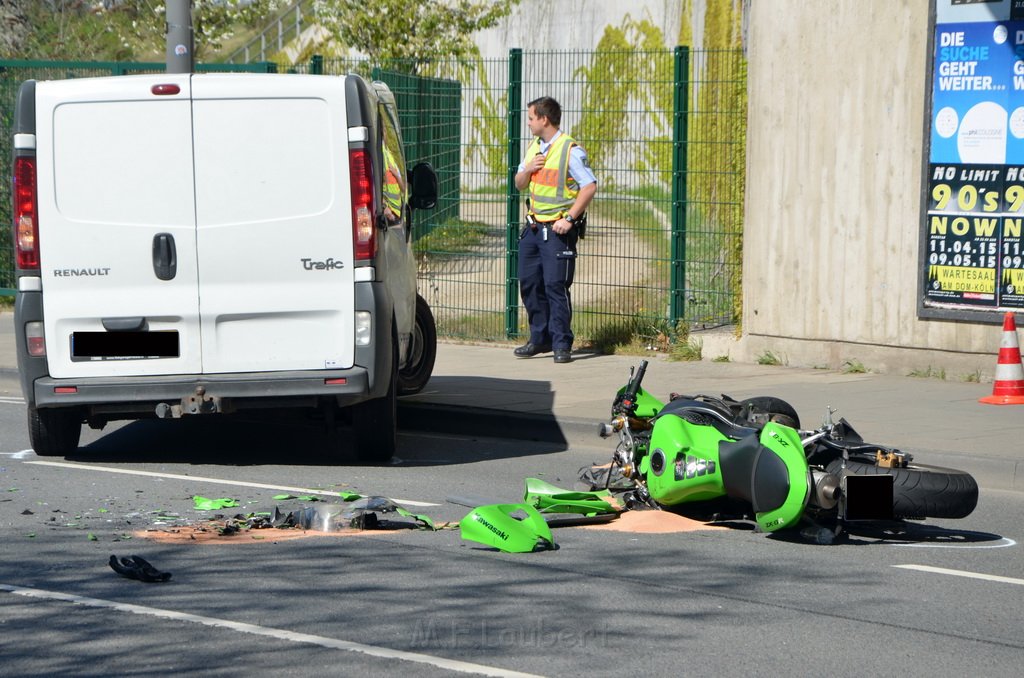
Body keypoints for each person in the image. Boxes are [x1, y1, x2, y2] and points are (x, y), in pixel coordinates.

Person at [513, 96, 597, 364]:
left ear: (543, 119)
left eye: (530, 118)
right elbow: (518, 183)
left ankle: (561, 343)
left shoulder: (569, 149)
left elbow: (589, 186)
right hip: (533, 229)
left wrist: (570, 219)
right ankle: (540, 339)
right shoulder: (533, 148)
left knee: (554, 287)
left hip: (557, 231)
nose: (528, 123)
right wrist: (528, 169)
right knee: (529, 284)